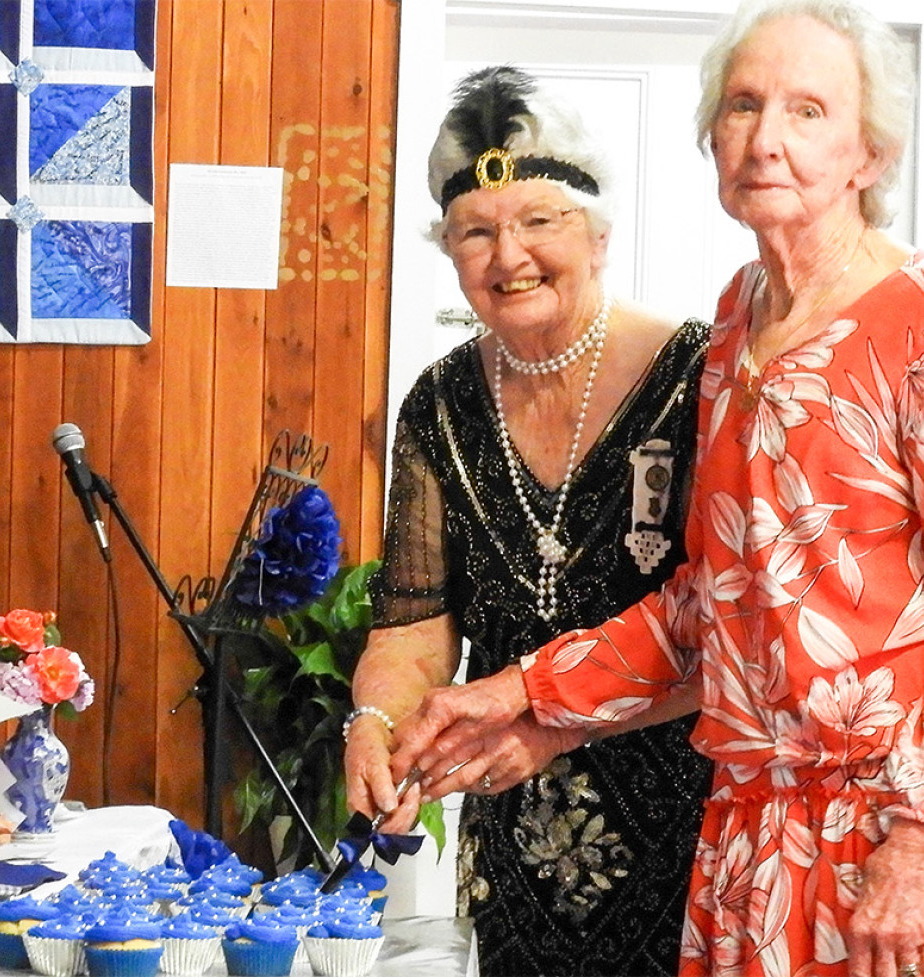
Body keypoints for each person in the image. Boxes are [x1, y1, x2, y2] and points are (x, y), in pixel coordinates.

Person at [386, 3, 924, 975]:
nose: (764, 138)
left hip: (881, 852)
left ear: (868, 154)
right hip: (740, 845)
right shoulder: (733, 323)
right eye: (742, 105)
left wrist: (916, 842)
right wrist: (513, 692)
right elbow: (701, 603)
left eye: (807, 111)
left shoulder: (911, 325)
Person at [344, 66, 713, 976]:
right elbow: (414, 618)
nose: (508, 256)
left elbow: (732, 628)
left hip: (691, 825)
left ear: (597, 233)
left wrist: (561, 717)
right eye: (476, 231)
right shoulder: (438, 405)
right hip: (518, 841)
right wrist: (373, 724)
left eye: (538, 221)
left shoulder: (699, 379)